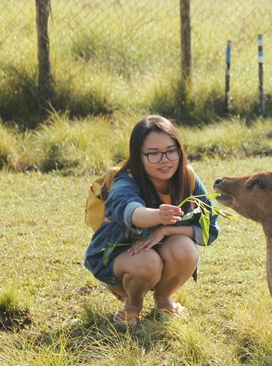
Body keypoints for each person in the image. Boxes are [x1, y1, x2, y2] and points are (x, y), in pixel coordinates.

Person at [84, 115, 219, 325]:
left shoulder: (188, 178)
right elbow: (130, 210)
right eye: (153, 153)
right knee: (148, 262)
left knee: (186, 249)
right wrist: (157, 215)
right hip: (122, 261)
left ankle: (163, 300)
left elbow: (209, 226)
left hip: (160, 255)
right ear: (138, 156)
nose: (165, 160)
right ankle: (133, 305)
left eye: (171, 151)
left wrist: (166, 230)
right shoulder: (124, 181)